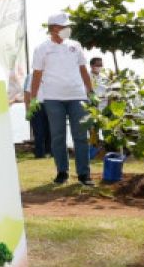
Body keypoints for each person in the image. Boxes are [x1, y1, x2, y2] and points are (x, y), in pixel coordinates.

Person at [26, 12, 95, 186]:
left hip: (78, 96)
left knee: (80, 136)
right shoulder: (42, 49)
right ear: (53, 29)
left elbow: (83, 70)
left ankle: (84, 175)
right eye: (64, 26)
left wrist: (91, 91)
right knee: (58, 137)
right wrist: (34, 98)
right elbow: (37, 75)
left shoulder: (75, 46)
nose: (67, 29)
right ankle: (62, 172)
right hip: (53, 98)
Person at [23, 69, 51, 159]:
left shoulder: (51, 75)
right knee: (38, 131)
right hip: (36, 105)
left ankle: (50, 152)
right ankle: (40, 154)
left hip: (49, 104)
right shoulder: (31, 76)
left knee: (50, 130)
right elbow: (27, 93)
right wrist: (27, 110)